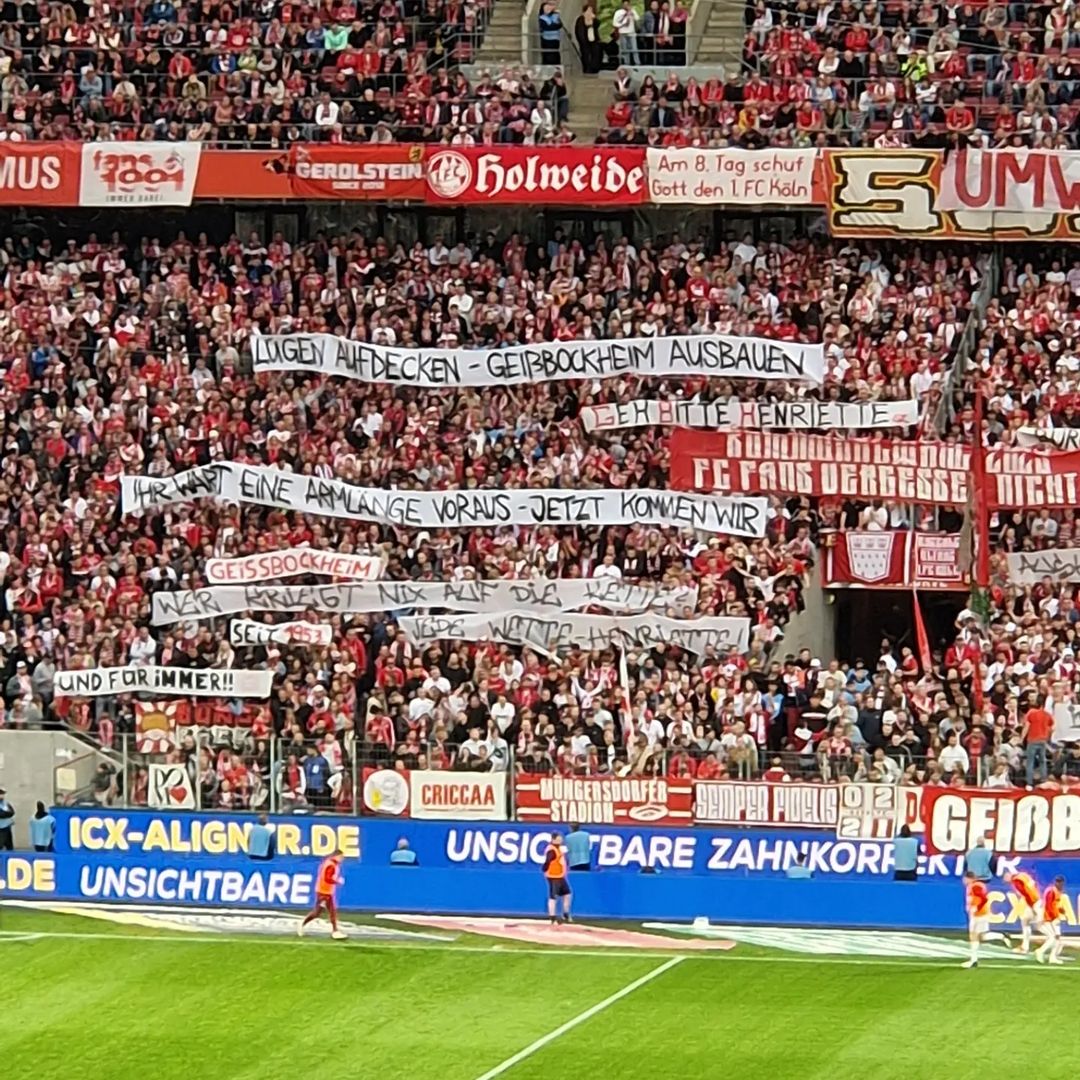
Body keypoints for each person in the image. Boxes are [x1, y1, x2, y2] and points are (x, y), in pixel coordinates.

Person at [962, 870, 1007, 968]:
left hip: (978, 915)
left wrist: (975, 908)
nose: (964, 881)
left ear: (970, 879)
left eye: (965, 878)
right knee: (981, 937)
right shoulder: (977, 885)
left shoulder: (975, 886)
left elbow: (983, 898)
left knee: (973, 936)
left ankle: (973, 960)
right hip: (981, 914)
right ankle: (1000, 936)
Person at [298, 852, 348, 940]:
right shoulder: (331, 865)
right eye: (341, 857)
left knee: (321, 912)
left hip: (324, 891)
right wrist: (337, 881)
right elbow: (327, 878)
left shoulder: (328, 863)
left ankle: (334, 931)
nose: (342, 859)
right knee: (328, 912)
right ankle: (335, 931)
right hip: (324, 892)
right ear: (336, 856)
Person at [1003, 869, 1041, 954]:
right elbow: (1033, 885)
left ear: (1008, 875)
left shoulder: (1016, 881)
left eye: (1005, 877)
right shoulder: (1023, 875)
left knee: (1041, 926)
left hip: (1034, 903)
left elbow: (1026, 892)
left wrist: (1033, 906)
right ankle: (1025, 947)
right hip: (1034, 901)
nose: (1005, 880)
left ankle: (1051, 942)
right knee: (1025, 921)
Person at [1036, 876, 1066, 965]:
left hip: (1052, 918)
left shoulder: (1057, 892)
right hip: (1047, 918)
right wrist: (1052, 918)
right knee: (1052, 937)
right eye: (1057, 882)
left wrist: (1060, 910)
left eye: (1060, 882)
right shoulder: (1051, 891)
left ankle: (1053, 957)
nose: (1059, 883)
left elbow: (1054, 905)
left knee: (1057, 938)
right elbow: (1048, 906)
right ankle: (1040, 951)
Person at [543, 833, 572, 924]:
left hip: (560, 876)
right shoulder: (551, 850)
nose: (561, 841)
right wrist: (545, 869)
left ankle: (565, 914)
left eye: (561, 839)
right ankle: (552, 917)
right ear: (553, 839)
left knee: (567, 894)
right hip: (553, 876)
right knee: (553, 896)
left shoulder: (558, 848)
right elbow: (548, 861)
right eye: (558, 839)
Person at [575, 6, 603, 74]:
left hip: (594, 39)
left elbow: (598, 24)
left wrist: (594, 18)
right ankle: (587, 68)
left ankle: (595, 68)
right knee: (586, 55)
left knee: (596, 53)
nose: (590, 12)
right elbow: (579, 31)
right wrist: (582, 41)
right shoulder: (581, 19)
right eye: (588, 10)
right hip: (585, 40)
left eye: (591, 10)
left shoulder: (593, 19)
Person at [611, 0, 640, 66]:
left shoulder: (632, 11)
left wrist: (632, 12)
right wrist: (623, 24)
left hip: (631, 33)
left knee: (634, 49)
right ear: (622, 4)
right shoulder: (618, 12)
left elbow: (637, 18)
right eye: (625, 4)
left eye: (627, 4)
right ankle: (627, 63)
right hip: (622, 33)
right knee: (625, 50)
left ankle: (637, 63)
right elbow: (615, 23)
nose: (626, 5)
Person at [538, 1, 563, 66]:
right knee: (548, 55)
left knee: (555, 54)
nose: (548, 10)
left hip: (555, 39)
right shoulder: (542, 18)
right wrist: (553, 25)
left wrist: (553, 24)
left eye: (549, 8)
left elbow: (559, 25)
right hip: (547, 39)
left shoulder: (555, 15)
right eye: (546, 9)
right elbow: (546, 27)